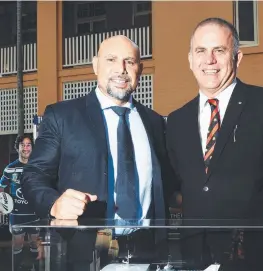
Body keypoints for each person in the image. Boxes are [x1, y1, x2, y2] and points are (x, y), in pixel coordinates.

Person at [166, 17, 263, 225]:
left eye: (219, 50)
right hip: (195, 251)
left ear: (237, 58)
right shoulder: (177, 120)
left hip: (257, 247)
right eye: (201, 51)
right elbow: (175, 184)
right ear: (191, 60)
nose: (209, 60)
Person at [21, 35, 174, 222]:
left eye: (130, 61)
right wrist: (54, 204)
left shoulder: (155, 122)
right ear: (95, 66)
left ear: (140, 69)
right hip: (86, 244)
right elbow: (34, 175)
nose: (121, 69)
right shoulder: (62, 116)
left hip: (149, 245)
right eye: (111, 60)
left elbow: (168, 184)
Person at [0, 134, 39, 271]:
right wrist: (2, 205)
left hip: (35, 214)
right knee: (17, 245)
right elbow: (2, 187)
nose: (25, 148)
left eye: (28, 144)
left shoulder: (37, 166)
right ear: (17, 148)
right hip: (17, 214)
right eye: (22, 145)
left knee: (35, 243)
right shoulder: (10, 168)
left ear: (32, 147)